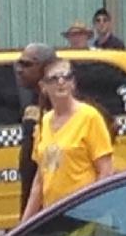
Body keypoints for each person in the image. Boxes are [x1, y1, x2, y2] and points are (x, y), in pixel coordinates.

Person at [22, 60, 113, 221]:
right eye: (54, 78)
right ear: (43, 86)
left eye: (67, 76)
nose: (61, 82)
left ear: (73, 83)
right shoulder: (44, 122)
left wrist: (94, 211)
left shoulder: (89, 117)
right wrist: (24, 224)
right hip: (55, 217)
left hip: (85, 216)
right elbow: (40, 180)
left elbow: (106, 171)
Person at [12, 42, 56, 213]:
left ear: (46, 68)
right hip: (32, 194)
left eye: (27, 64)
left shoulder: (60, 106)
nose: (19, 70)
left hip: (52, 203)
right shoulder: (31, 99)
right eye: (18, 64)